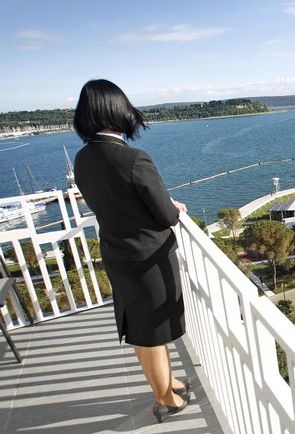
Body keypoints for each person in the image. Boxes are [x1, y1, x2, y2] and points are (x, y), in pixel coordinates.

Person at [73, 79, 190, 423]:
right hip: (148, 259)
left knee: (141, 328)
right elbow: (166, 216)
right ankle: (165, 398)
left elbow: (113, 203)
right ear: (119, 111)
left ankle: (168, 383)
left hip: (117, 254)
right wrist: (172, 206)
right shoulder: (133, 158)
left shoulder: (82, 159)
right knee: (152, 332)